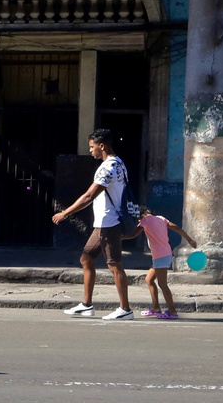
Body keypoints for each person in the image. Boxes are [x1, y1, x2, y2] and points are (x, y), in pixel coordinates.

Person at [53, 128, 134, 319]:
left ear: (102, 146)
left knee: (115, 265)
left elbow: (89, 195)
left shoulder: (108, 167)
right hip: (104, 223)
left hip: (109, 222)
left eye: (92, 147)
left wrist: (65, 213)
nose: (90, 151)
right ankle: (87, 304)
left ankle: (125, 309)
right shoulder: (119, 163)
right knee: (86, 258)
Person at [136, 207, 196, 319]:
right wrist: (189, 240)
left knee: (163, 285)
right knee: (149, 280)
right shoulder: (161, 219)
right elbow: (177, 228)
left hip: (160, 256)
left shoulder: (145, 221)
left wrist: (120, 237)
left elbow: (133, 234)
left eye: (138, 220)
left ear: (141, 216)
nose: (139, 223)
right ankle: (155, 308)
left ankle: (172, 311)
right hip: (164, 254)